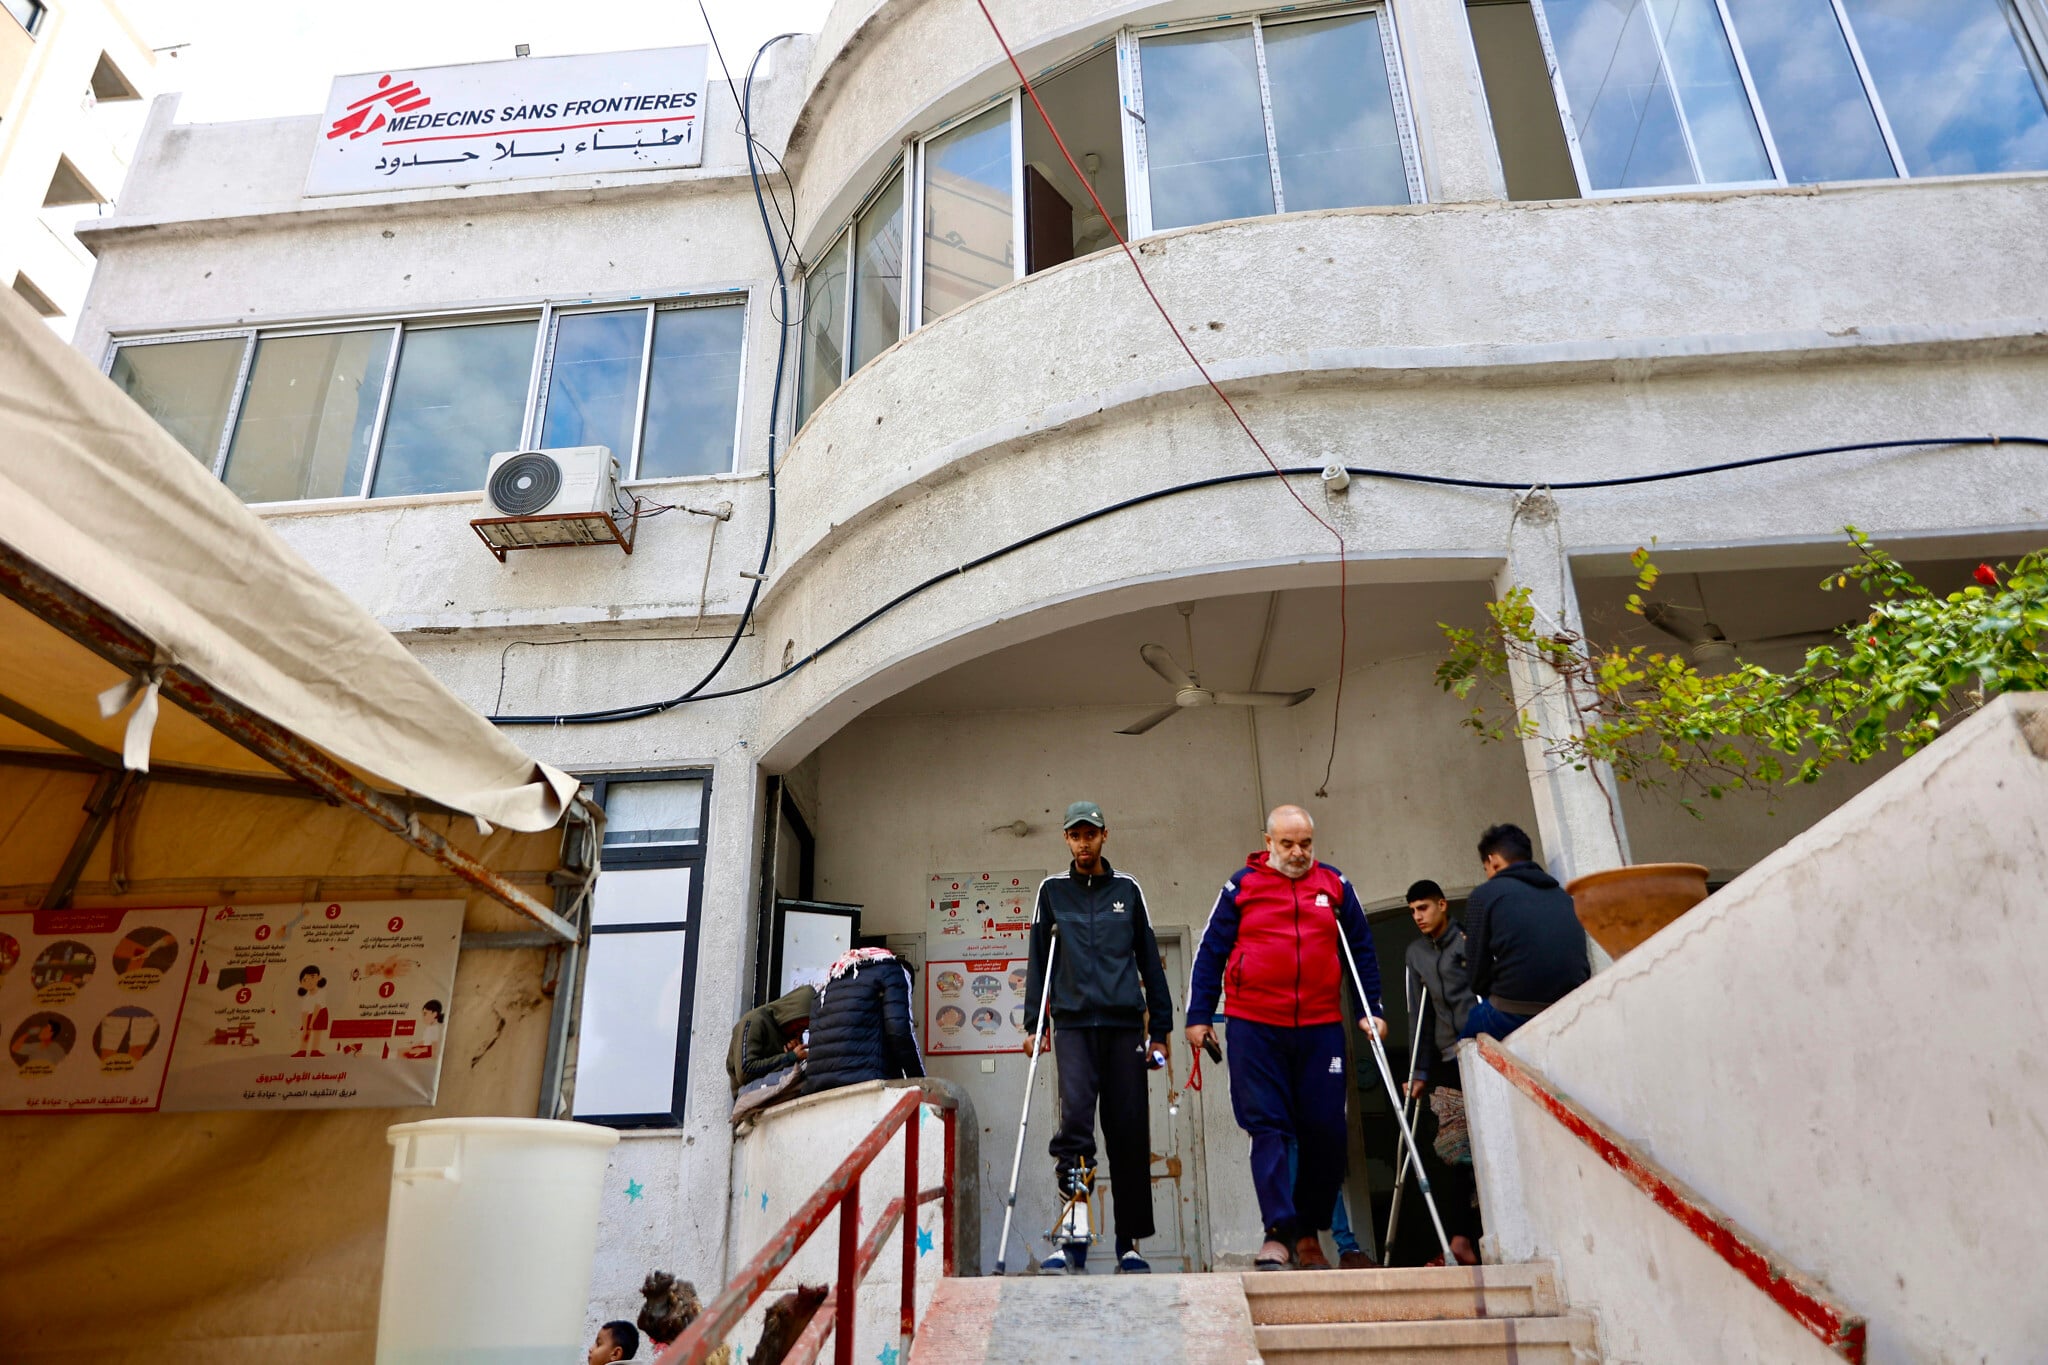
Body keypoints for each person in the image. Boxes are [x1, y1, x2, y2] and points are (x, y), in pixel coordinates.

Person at [1187, 804, 1386, 1272]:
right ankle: (1278, 1234)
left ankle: (1310, 1232)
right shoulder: (1242, 886)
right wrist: (1199, 1015)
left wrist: (1371, 1010)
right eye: (1288, 844)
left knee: (1325, 1130)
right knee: (1269, 1128)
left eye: (1306, 844)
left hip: (1319, 1025)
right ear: (1268, 842)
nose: (1298, 853)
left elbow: (1361, 949)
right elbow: (1211, 950)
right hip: (1255, 1024)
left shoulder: (1334, 884)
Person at [1021, 800, 1174, 1275]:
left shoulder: (1127, 889)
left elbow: (1150, 960)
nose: (1083, 843)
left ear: (1105, 835)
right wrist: (1034, 1025)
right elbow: (1037, 962)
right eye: (1075, 835)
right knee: (1075, 1131)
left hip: (1124, 1026)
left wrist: (1161, 1030)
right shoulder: (1051, 892)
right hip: (1072, 1026)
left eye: (1090, 834)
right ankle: (1074, 1238)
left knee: (1128, 1132)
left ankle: (1129, 1245)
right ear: (1066, 839)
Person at [1401, 879, 1482, 1266]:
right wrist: (1418, 1070)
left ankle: (1484, 1236)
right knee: (1450, 1152)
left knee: (1486, 1146)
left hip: (1481, 1050)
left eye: (1424, 908)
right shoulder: (1415, 953)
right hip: (1447, 1060)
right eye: (1413, 911)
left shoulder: (1468, 941)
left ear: (1442, 905)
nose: (1418, 917)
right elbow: (1418, 1014)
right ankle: (1460, 1240)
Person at [1457, 824, 1591, 1044]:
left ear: (1493, 860)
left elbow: (1477, 980)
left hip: (1513, 1011)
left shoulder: (1484, 895)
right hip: (1570, 1008)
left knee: (1465, 1041)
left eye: (1485, 869)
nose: (1488, 875)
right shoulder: (1563, 897)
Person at [800, 947, 924, 1096]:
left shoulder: (827, 987)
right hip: (867, 1087)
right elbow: (900, 1031)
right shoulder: (895, 971)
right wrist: (920, 1082)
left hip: (819, 1091)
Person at [725, 984, 817, 1095]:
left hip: (782, 1093)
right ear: (791, 1014)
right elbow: (745, 1071)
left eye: (804, 1029)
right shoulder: (754, 1021)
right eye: (799, 1026)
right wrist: (791, 1057)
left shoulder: (793, 1034)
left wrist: (794, 1059)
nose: (799, 1032)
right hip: (752, 1097)